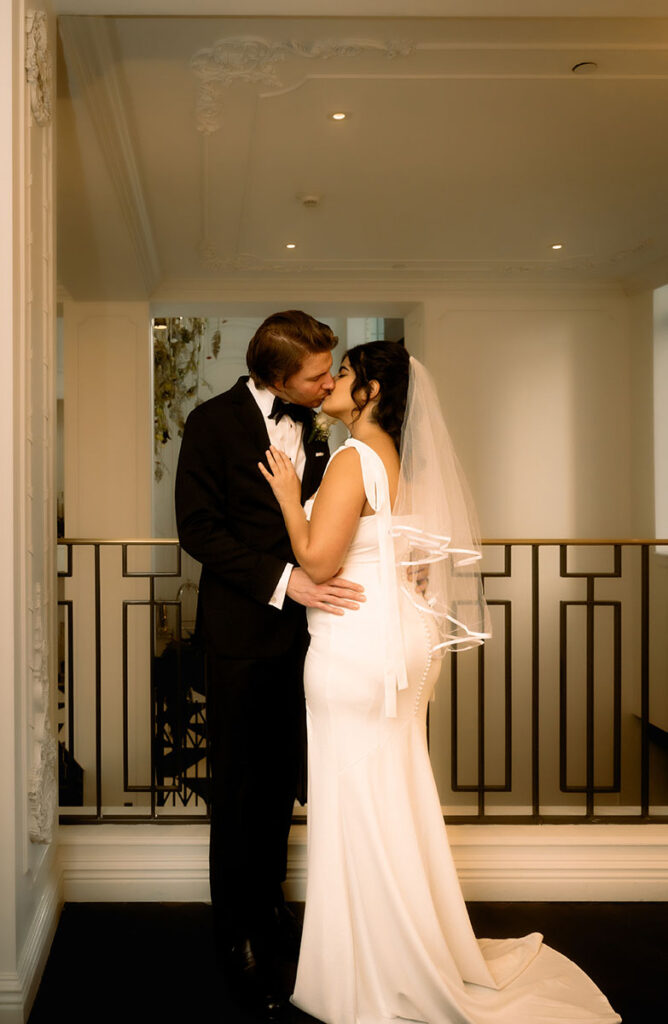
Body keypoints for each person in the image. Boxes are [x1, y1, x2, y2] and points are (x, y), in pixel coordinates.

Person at [259, 341, 622, 1024]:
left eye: (346, 376)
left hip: (357, 646)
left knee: (359, 796)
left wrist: (287, 498)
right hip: (400, 644)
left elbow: (319, 558)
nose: (332, 382)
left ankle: (375, 964)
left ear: (369, 394)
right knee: (391, 789)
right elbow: (412, 560)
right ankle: (402, 944)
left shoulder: (349, 459)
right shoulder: (395, 460)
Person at [175, 310, 365, 1022]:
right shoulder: (210, 423)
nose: (328, 382)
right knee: (240, 791)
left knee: (284, 779)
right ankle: (236, 938)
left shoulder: (320, 429)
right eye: (317, 375)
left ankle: (270, 907)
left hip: (307, 644)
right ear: (275, 376)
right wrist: (287, 583)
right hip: (238, 638)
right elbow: (198, 530)